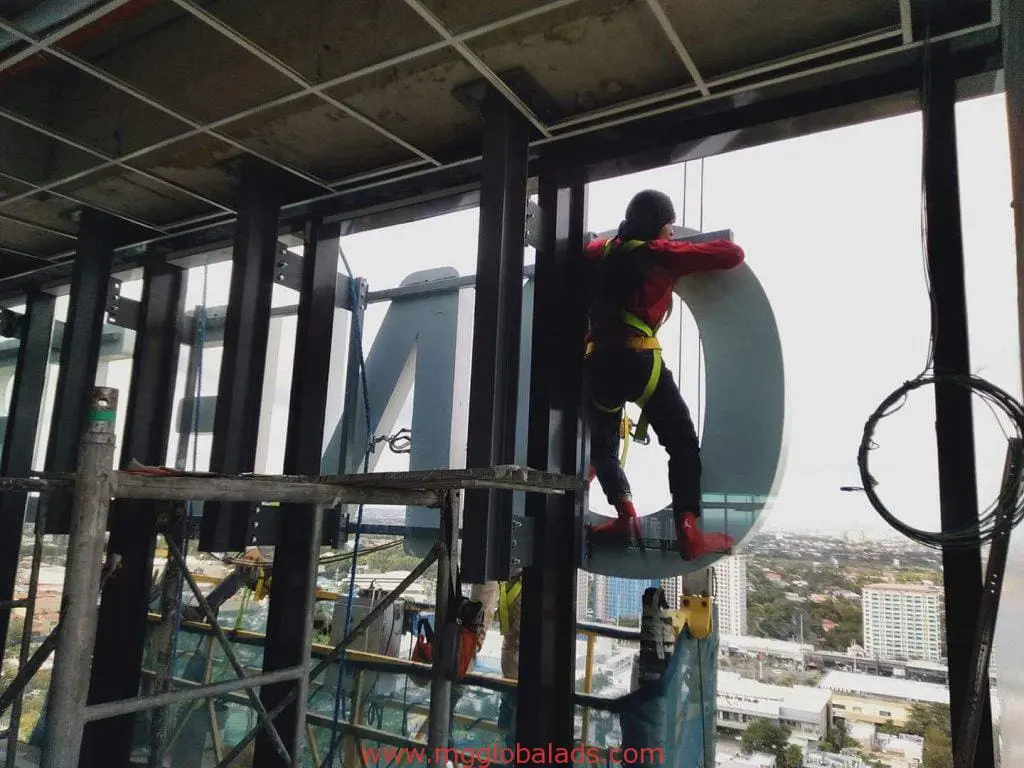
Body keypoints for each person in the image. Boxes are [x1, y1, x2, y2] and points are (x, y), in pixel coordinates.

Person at [583, 189, 744, 560]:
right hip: (639, 361)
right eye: (668, 227)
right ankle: (688, 531)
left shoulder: (602, 252)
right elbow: (732, 254)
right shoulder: (661, 254)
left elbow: (590, 248)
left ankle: (625, 516)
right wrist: (674, 246)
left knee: (604, 448)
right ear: (660, 226)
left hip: (597, 364)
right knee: (682, 442)